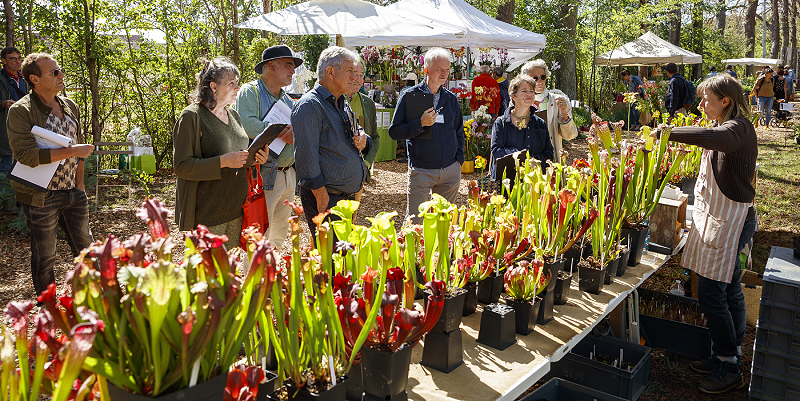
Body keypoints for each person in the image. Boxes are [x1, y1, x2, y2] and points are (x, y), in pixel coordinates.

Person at [668, 74, 757, 395]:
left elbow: (712, 139)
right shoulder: (724, 128)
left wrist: (668, 133)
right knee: (729, 288)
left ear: (726, 101)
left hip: (733, 222)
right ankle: (730, 352)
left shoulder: (739, 129)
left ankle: (728, 365)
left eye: (707, 99)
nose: (701, 104)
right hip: (721, 220)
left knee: (711, 291)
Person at [7, 53, 94, 297]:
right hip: (41, 196)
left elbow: (80, 150)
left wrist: (79, 188)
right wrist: (71, 151)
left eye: (60, 70)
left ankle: (97, 298)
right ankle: (48, 308)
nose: (61, 75)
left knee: (87, 249)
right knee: (45, 254)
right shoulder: (20, 111)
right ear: (34, 79)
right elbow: (27, 156)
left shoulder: (69, 105)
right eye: (54, 72)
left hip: (73, 193)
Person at [173, 57, 269, 244]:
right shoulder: (192, 116)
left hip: (238, 211)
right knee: (208, 272)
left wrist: (256, 159)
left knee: (230, 271)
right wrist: (223, 161)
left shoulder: (233, 115)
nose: (237, 88)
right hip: (207, 216)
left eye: (237, 83)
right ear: (213, 86)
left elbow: (237, 156)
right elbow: (181, 166)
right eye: (231, 83)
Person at [293, 47, 372, 239]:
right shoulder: (310, 105)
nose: (355, 77)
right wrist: (322, 199)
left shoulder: (340, 102)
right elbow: (306, 159)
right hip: (328, 198)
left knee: (342, 260)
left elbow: (352, 138)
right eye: (350, 71)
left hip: (344, 199)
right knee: (331, 261)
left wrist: (364, 140)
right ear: (330, 72)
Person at [233, 45, 303, 251]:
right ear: (271, 66)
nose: (293, 71)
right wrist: (282, 130)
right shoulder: (250, 92)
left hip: (288, 174)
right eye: (289, 65)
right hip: (262, 175)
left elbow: (295, 130)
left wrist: (294, 133)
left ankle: (270, 279)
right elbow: (246, 124)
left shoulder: (286, 99)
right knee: (258, 235)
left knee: (279, 234)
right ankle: (254, 281)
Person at [390, 47, 464, 224]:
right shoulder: (409, 96)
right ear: (427, 70)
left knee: (445, 223)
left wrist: (458, 161)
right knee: (415, 223)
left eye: (447, 69)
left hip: (450, 171)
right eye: (440, 69)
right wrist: (420, 124)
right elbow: (395, 131)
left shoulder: (451, 99)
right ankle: (412, 253)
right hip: (421, 170)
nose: (444, 74)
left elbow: (459, 132)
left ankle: (442, 252)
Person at [490, 74, 552, 179]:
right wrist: (522, 159)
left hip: (534, 183)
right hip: (507, 183)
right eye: (524, 91)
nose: (529, 94)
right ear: (513, 96)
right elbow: (497, 151)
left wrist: (534, 162)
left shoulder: (540, 124)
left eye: (532, 91)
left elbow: (549, 154)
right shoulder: (501, 123)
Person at [521, 59, 577, 162]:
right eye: (535, 78)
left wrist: (564, 113)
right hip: (527, 159)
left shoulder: (559, 100)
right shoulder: (519, 101)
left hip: (552, 159)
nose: (540, 81)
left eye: (543, 77)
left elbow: (570, 135)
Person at [347, 59, 380, 190]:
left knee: (354, 209)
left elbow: (375, 138)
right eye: (355, 73)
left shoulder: (368, 103)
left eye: (362, 75)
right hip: (334, 175)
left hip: (358, 172)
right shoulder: (332, 100)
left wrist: (366, 163)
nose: (358, 79)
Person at [1, 47, 27, 207]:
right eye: (13, 59)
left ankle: (22, 202)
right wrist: (2, 104)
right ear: (3, 61)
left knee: (25, 165)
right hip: (4, 129)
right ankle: (8, 204)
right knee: (6, 164)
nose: (17, 61)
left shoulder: (26, 79)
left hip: (25, 129)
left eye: (19, 58)